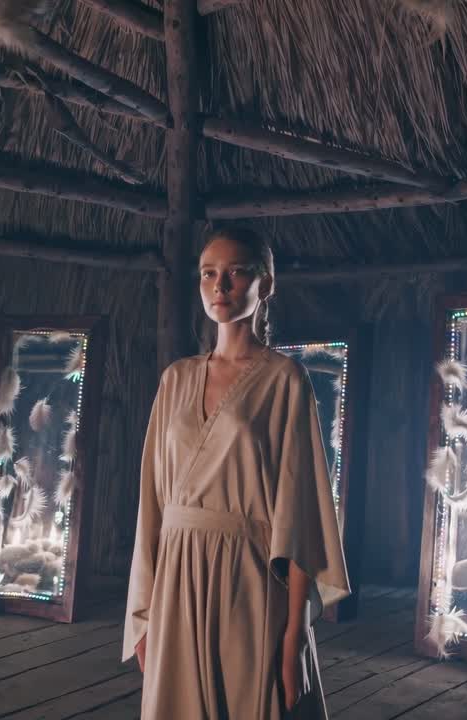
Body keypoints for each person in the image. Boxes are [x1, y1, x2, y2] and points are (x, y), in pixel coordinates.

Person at [121, 226, 351, 718]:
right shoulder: (175, 379)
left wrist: (293, 641)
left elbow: (300, 514)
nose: (220, 286)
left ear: (264, 285)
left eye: (235, 272)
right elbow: (152, 507)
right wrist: (143, 615)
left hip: (249, 581)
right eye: (208, 274)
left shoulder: (285, 380)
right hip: (177, 581)